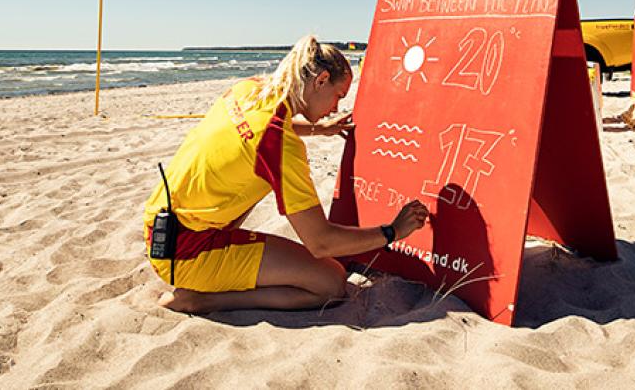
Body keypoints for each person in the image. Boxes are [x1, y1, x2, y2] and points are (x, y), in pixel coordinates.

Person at [141, 36, 430, 313]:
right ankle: (201, 300)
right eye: (338, 96)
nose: (337, 107)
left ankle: (206, 281)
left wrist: (321, 129)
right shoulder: (281, 146)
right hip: (187, 252)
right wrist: (393, 231)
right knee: (330, 282)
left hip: (160, 226)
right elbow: (321, 242)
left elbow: (265, 129)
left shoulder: (249, 89)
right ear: (321, 80)